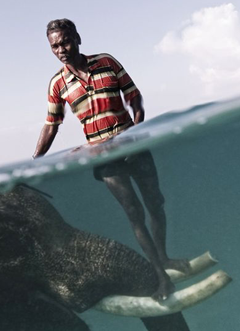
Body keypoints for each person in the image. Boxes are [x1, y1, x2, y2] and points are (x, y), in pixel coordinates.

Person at [32, 19, 189, 301]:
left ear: (77, 38)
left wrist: (137, 132)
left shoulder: (106, 61)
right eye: (54, 46)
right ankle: (160, 276)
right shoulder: (57, 84)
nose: (61, 50)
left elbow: (134, 97)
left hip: (133, 145)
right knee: (134, 212)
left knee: (156, 203)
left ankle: (164, 256)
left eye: (65, 42)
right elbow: (51, 124)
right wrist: (34, 161)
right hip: (103, 157)